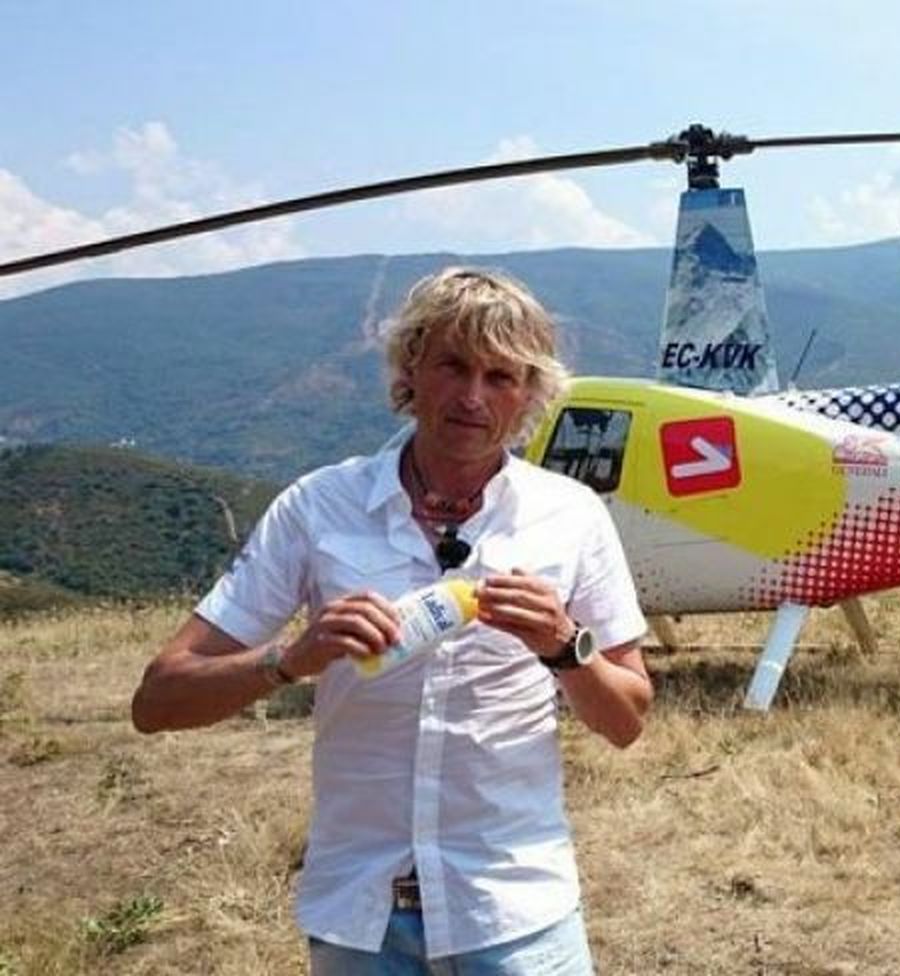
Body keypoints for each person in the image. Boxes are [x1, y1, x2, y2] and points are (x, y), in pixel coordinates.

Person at [131, 266, 652, 974]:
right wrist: (291, 660)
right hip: (359, 918)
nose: (473, 397)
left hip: (513, 912)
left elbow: (627, 720)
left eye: (502, 376)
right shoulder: (317, 508)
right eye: (453, 366)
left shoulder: (570, 515)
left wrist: (564, 648)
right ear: (412, 369)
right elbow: (158, 700)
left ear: (530, 394)